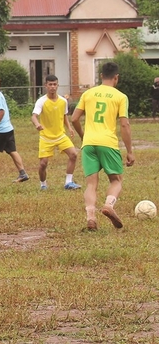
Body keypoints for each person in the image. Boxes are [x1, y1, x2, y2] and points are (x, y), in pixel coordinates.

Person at [71, 61, 134, 231]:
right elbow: (124, 125)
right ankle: (108, 205)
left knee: (91, 184)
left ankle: (91, 217)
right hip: (108, 143)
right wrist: (129, 151)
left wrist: (83, 136)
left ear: (100, 76)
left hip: (89, 143)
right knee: (116, 180)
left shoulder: (88, 94)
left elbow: (74, 119)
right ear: (116, 77)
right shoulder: (120, 97)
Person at [31, 74, 81, 191]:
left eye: (54, 84)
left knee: (73, 154)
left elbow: (64, 116)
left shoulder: (63, 101)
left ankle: (68, 182)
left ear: (57, 85)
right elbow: (34, 116)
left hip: (60, 135)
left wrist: (69, 128)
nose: (52, 87)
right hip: (46, 137)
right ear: (46, 86)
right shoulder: (41, 101)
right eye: (50, 85)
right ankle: (43, 184)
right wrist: (37, 124)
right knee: (43, 164)